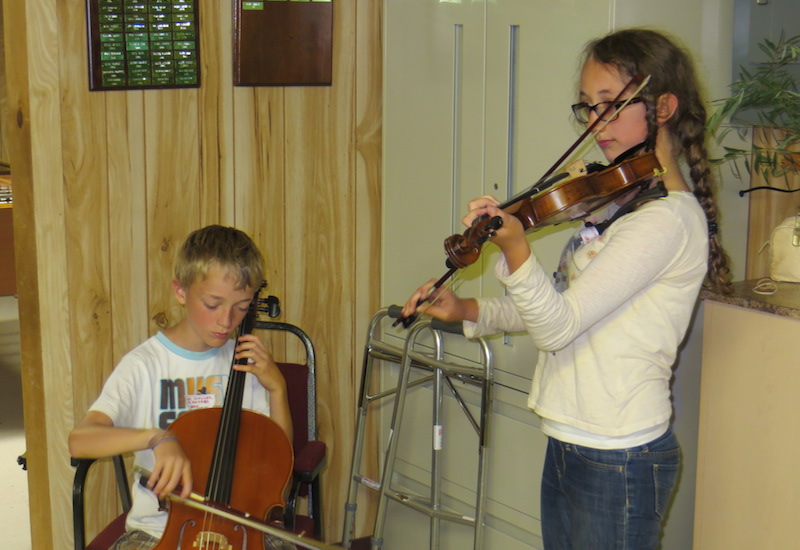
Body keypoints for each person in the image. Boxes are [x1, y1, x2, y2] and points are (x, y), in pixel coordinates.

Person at [401, 28, 731, 549]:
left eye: (611, 104)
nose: (597, 123)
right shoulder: (619, 205)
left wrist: (516, 248)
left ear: (663, 106)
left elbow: (558, 328)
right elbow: (556, 305)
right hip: (573, 440)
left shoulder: (667, 220)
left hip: (620, 452)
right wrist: (465, 306)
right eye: (587, 107)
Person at [69, 225, 293, 550]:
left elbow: (277, 468)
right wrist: (157, 437)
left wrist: (277, 390)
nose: (226, 321)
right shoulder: (145, 365)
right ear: (181, 291)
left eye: (242, 306)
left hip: (243, 530)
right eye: (213, 304)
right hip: (157, 533)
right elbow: (80, 440)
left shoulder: (246, 364)